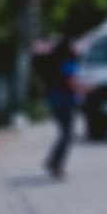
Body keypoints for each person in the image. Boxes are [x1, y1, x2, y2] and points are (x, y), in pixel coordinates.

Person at [39, 37, 80, 179]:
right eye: (72, 46)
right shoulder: (68, 63)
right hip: (65, 102)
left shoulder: (54, 62)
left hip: (54, 101)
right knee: (67, 135)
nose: (75, 49)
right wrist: (87, 88)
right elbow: (71, 83)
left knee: (64, 134)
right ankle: (56, 166)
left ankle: (51, 161)